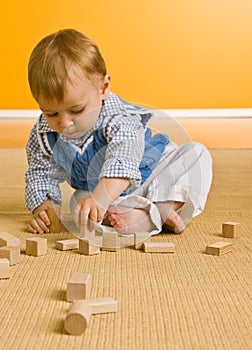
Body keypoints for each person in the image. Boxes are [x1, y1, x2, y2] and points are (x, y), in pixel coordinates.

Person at [25, 28, 212, 235]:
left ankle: (164, 206)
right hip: (104, 196)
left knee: (197, 154)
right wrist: (44, 211)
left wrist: (100, 198)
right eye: (51, 114)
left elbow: (123, 157)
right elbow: (40, 174)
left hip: (152, 172)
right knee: (78, 202)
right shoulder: (43, 136)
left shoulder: (119, 117)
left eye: (76, 110)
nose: (65, 123)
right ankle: (136, 213)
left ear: (103, 88)